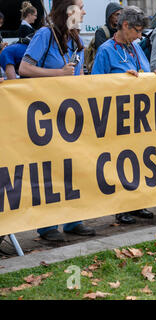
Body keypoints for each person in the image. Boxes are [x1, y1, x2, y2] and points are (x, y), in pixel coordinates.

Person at [19, 0, 96, 241]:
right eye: (80, 6)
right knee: (48, 170)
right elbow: (24, 67)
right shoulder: (45, 34)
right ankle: (47, 227)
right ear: (68, 11)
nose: (84, 11)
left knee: (72, 167)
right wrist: (58, 73)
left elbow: (78, 74)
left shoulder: (76, 39)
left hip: (70, 114)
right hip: (44, 115)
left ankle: (73, 220)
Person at [91, 6, 155, 225]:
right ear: (125, 25)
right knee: (120, 162)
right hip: (117, 115)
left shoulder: (134, 48)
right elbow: (96, 83)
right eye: (137, 30)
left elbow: (146, 71)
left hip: (139, 116)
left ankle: (137, 203)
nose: (139, 36)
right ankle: (121, 207)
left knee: (138, 161)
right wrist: (121, 81)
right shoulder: (106, 50)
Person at [84, 2, 123, 73]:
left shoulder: (120, 31)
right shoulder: (101, 32)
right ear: (110, 15)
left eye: (121, 15)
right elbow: (104, 52)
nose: (119, 17)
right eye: (117, 15)